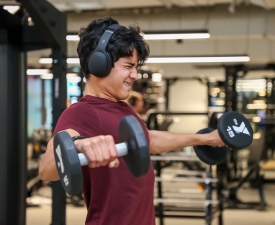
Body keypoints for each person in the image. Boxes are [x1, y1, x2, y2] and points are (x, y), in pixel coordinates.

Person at [39, 17, 225, 225]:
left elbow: (148, 141)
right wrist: (79, 145)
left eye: (136, 67)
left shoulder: (122, 108)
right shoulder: (82, 112)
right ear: (99, 64)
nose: (135, 75)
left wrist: (205, 138)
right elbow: (46, 168)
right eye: (128, 66)